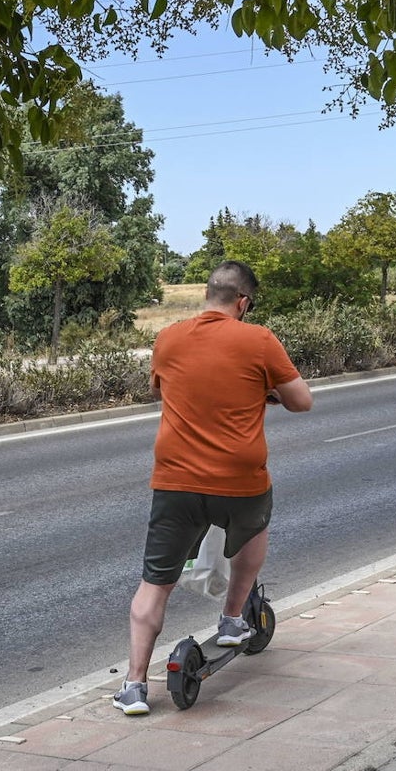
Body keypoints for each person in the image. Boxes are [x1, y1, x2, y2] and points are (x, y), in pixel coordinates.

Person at [114, 260, 313, 715]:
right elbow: (302, 402)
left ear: (209, 294)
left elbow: (162, 391)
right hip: (239, 480)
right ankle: (231, 620)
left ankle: (133, 686)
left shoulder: (167, 338)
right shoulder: (259, 339)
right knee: (252, 534)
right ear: (243, 302)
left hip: (176, 479)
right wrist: (266, 393)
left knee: (154, 583)